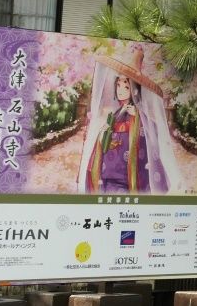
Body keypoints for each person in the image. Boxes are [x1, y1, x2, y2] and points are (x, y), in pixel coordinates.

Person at [77, 45, 182, 194]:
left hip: (130, 175)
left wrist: (138, 117)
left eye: (126, 87)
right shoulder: (115, 115)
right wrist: (104, 133)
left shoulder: (139, 115)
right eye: (118, 86)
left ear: (134, 90)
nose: (120, 90)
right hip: (109, 173)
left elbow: (152, 134)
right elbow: (103, 140)